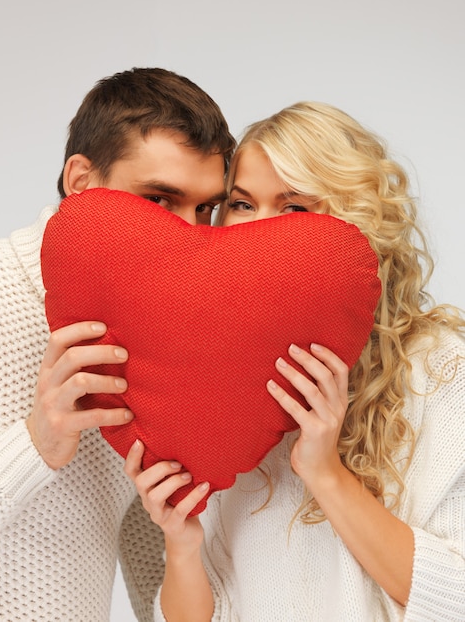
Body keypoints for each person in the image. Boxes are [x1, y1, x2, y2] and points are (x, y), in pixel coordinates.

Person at [127, 101, 465, 621]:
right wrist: (181, 542)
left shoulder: (442, 370)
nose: (260, 230)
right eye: (241, 204)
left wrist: (324, 472)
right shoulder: (211, 382)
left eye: (295, 209)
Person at [0, 66, 235, 621]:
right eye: (158, 200)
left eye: (205, 210)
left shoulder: (151, 331)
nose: (188, 236)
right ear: (81, 182)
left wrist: (181, 541)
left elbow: (143, 552)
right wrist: (37, 444)